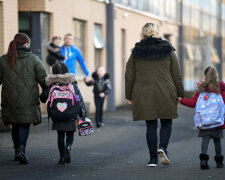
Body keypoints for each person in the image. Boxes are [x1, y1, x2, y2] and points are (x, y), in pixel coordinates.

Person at [125, 23, 184, 167]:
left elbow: (129, 75)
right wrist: (180, 93)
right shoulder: (168, 49)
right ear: (157, 32)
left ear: (143, 33)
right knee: (166, 122)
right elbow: (176, 74)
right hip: (166, 91)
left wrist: (129, 95)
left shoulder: (137, 51)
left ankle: (152, 159)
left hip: (144, 92)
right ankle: (162, 148)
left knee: (150, 125)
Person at [0, 33, 47, 164]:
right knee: (24, 124)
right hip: (28, 99)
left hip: (10, 99)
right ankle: (21, 150)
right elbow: (43, 78)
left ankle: (17, 151)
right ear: (26, 44)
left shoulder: (4, 59)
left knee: (16, 123)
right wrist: (46, 91)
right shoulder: (33, 59)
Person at [40, 62, 87, 165]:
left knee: (60, 135)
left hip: (57, 114)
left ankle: (61, 157)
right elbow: (79, 99)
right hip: (71, 113)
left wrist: (44, 90)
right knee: (70, 134)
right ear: (66, 70)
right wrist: (83, 114)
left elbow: (43, 99)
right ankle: (68, 147)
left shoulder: (51, 83)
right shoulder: (72, 83)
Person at [178, 66, 224, 169]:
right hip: (217, 120)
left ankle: (204, 160)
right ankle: (219, 162)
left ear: (205, 76)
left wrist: (181, 99)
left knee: (205, 140)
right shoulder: (220, 89)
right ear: (216, 75)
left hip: (204, 120)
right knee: (217, 141)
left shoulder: (201, 89)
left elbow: (192, 103)